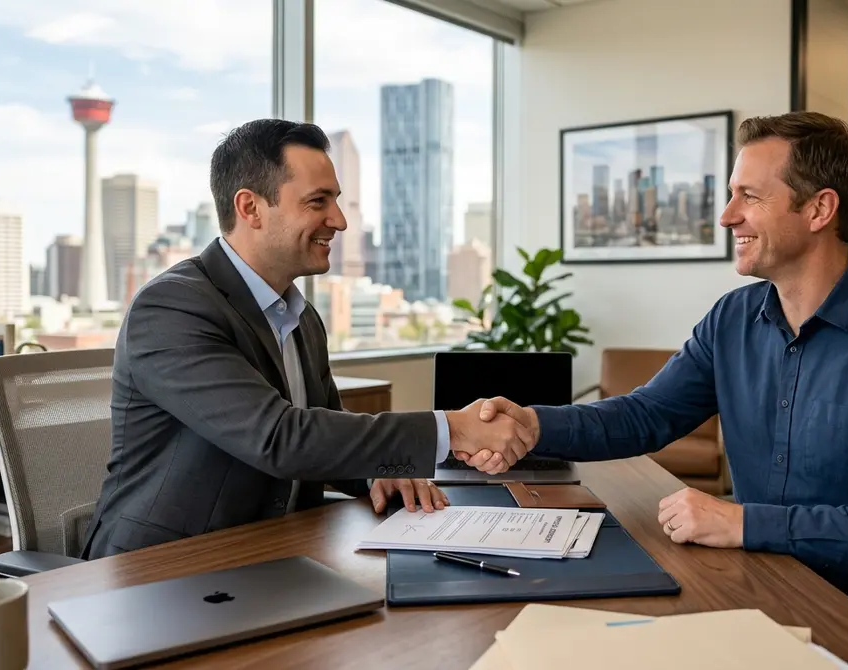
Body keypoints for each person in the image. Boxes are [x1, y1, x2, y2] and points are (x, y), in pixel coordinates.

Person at [467, 112, 848, 668]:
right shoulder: (732, 319)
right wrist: (535, 424)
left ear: (819, 209)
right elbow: (647, 414)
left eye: (749, 196)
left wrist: (743, 521)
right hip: (757, 589)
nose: (726, 215)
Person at [81, 119, 531, 560]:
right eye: (318, 201)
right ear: (250, 208)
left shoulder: (299, 315)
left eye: (335, 200)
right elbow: (279, 438)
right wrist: (453, 429)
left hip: (274, 554)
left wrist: (377, 476)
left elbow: (325, 432)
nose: (338, 220)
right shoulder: (172, 307)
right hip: (164, 567)